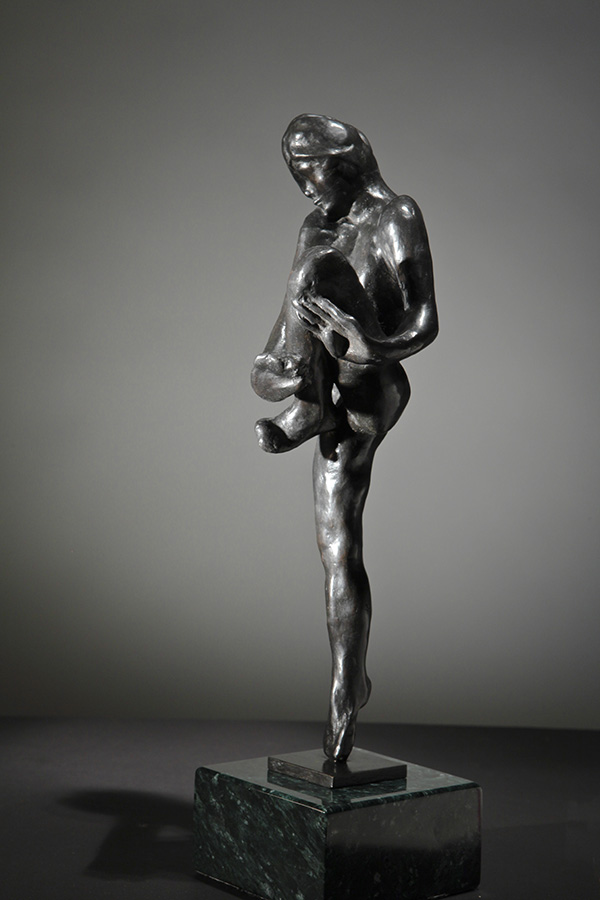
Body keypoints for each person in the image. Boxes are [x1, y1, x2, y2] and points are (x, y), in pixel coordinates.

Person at [251, 114, 438, 762]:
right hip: (325, 382)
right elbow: (290, 315)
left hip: (370, 384)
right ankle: (346, 682)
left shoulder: (396, 216)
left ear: (347, 163)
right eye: (296, 178)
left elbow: (424, 320)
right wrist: (276, 366)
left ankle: (309, 408)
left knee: (322, 267)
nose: (306, 189)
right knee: (338, 549)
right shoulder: (316, 226)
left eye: (312, 175)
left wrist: (369, 345)